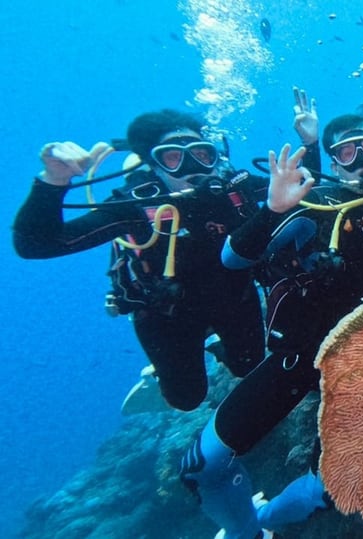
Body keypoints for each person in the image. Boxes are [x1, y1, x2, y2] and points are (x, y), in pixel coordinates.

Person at [179, 70, 363, 539]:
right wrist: (272, 210)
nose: (362, 161)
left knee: (333, 484)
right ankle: (243, 533)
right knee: (202, 466)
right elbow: (233, 257)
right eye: (346, 152)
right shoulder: (311, 206)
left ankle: (266, 518)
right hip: (300, 360)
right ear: (335, 165)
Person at [13, 110, 269, 411]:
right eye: (173, 157)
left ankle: (215, 344)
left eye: (202, 154)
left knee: (249, 368)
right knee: (187, 400)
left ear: (217, 157)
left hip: (233, 298)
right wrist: (53, 183)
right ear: (153, 165)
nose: (192, 167)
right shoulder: (135, 205)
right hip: (167, 314)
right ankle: (158, 375)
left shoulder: (236, 190)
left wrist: (310, 141)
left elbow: (309, 189)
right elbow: (36, 244)